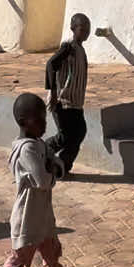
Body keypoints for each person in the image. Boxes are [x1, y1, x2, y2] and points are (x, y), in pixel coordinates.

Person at [0, 91, 90, 267]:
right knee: (17, 263)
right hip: (28, 219)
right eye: (39, 120)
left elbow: (54, 160)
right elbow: (43, 179)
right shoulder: (27, 150)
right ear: (24, 122)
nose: (44, 124)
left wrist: (55, 164)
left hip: (43, 217)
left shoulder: (38, 144)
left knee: (53, 258)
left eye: (44, 118)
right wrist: (54, 170)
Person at [44, 12, 90, 175]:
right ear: (73, 29)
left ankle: (61, 165)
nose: (86, 32)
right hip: (63, 101)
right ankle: (41, 151)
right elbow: (51, 65)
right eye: (82, 29)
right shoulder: (68, 47)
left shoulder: (81, 50)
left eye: (87, 29)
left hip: (75, 102)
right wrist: (53, 92)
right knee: (65, 136)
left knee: (79, 132)